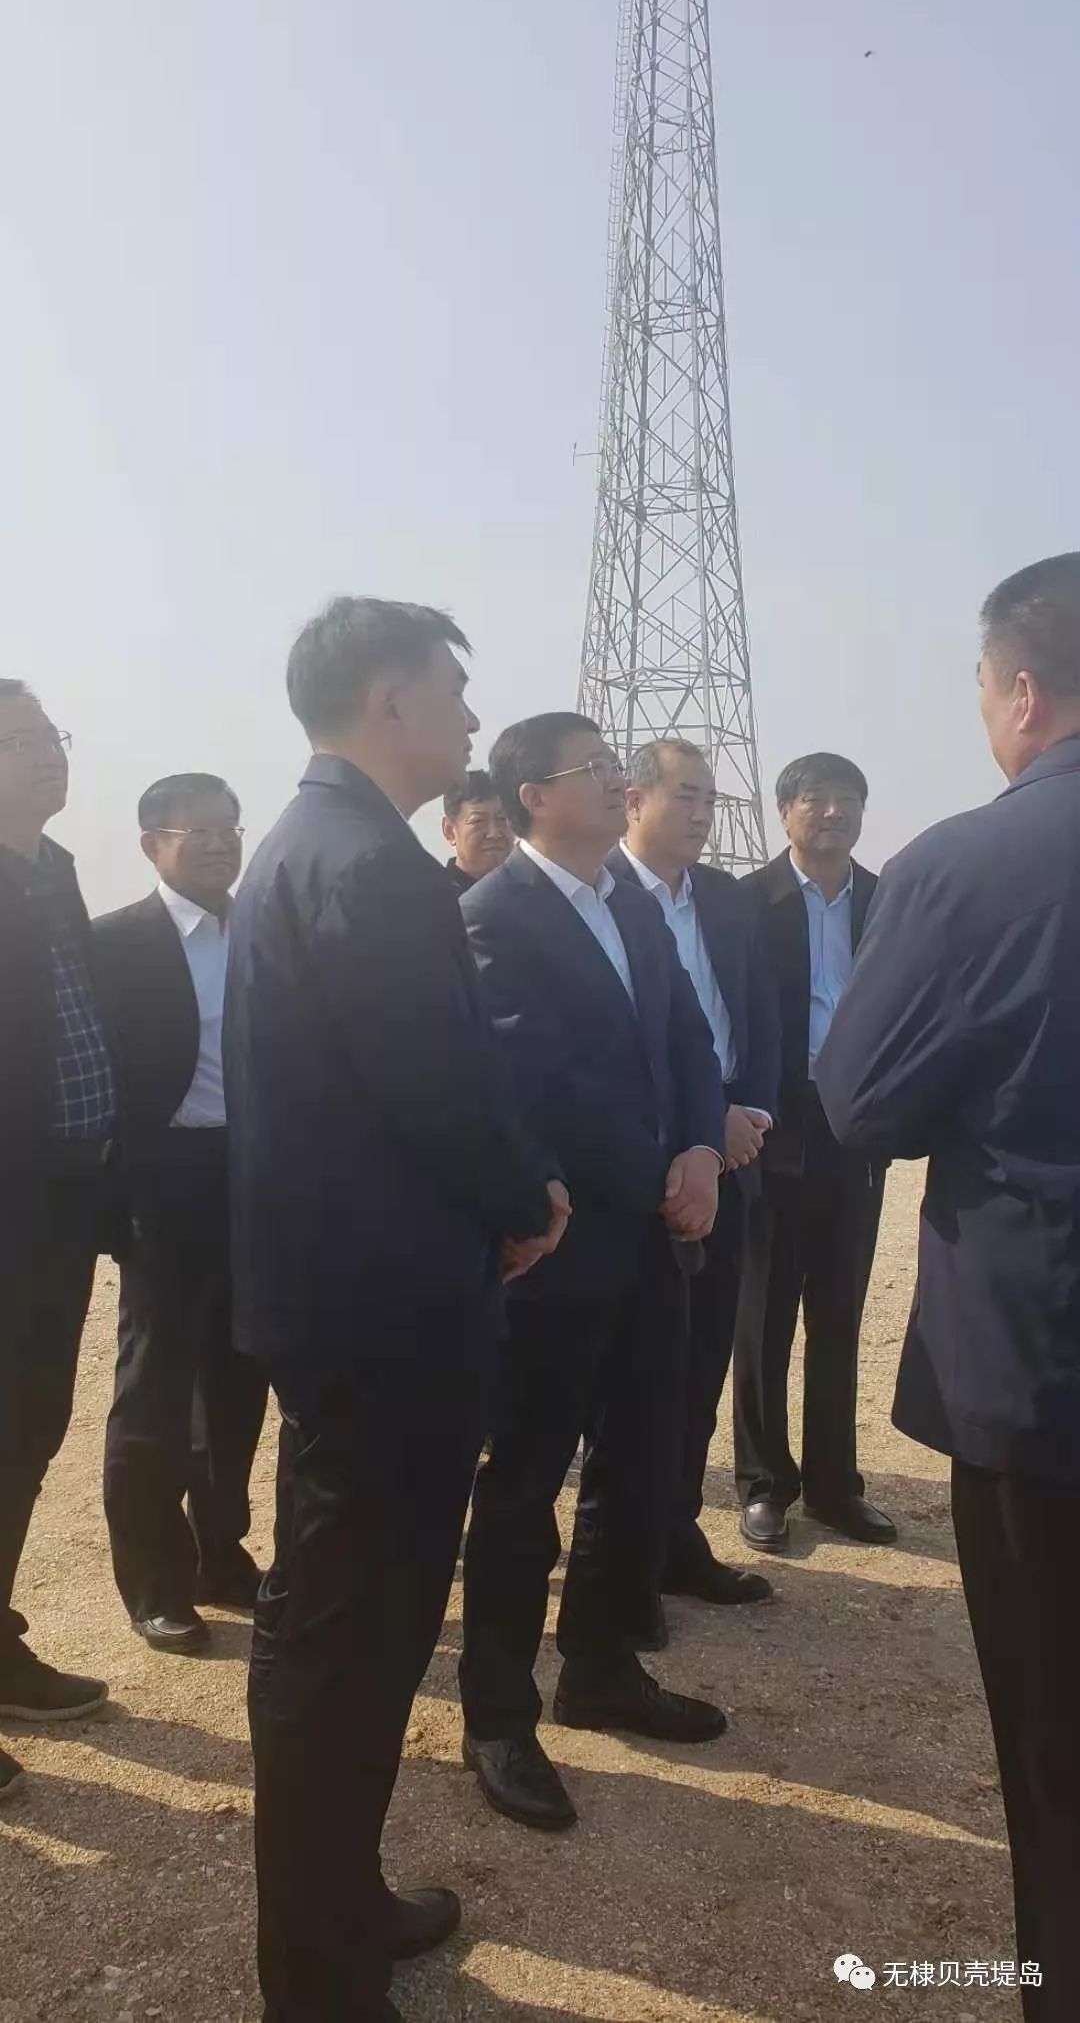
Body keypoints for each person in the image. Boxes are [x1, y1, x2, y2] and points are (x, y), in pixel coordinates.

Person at [224, 598, 566, 2023]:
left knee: (358, 1639)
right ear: (389, 701)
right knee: (343, 1647)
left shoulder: (325, 844)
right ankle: (318, 1977)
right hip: (384, 1323)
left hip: (359, 1308)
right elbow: (440, 1089)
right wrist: (527, 1197)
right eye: (454, 692)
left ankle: (344, 1904)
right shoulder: (367, 864)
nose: (472, 721)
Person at [817, 555, 1080, 2023]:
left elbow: (861, 1101)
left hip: (1045, 1363)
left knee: (1057, 1741)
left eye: (981, 689)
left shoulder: (970, 863)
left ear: (1022, 691)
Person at [459, 712, 728, 1837]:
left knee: (640, 1455)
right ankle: (497, 1713)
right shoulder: (495, 915)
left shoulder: (631, 901)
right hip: (561, 1243)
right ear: (533, 794)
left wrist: (702, 1144)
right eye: (598, 768)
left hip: (654, 1238)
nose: (622, 781)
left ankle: (603, 1664)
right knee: (525, 1479)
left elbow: (687, 1041)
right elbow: (524, 1087)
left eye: (620, 766)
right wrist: (651, 1175)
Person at [609, 738, 780, 1625]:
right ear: (632, 799)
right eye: (686, 795)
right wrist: (702, 1124)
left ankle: (677, 1536)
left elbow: (759, 1018)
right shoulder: (597, 895)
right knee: (635, 1382)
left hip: (732, 1161)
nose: (704, 812)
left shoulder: (727, 899)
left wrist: (748, 1115)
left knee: (703, 1360)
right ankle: (625, 1562)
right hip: (643, 1176)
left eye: (711, 797)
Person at [94, 774, 267, 1654]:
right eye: (198, 830)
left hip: (255, 1176)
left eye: (229, 827)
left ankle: (219, 1552)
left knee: (239, 1382)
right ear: (152, 844)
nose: (220, 843)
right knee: (157, 1388)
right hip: (166, 1184)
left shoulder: (265, 931)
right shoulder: (115, 943)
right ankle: (155, 1582)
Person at [733, 755, 896, 1554]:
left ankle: (836, 1486)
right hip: (775, 1124)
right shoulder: (746, 901)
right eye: (816, 798)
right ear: (784, 811)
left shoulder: (887, 899)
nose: (834, 811)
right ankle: (765, 1482)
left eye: (848, 799)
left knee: (839, 1311)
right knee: (764, 1314)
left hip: (855, 1126)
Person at [0, 681, 109, 1806]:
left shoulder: (56, 869)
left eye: (50, 738)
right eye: (21, 741)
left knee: (27, 1428)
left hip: (61, 1210)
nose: (47, 756)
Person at [441, 767, 513, 894]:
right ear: (450, 831)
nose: (494, 834)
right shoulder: (434, 896)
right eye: (478, 821)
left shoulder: (534, 892)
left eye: (502, 819)